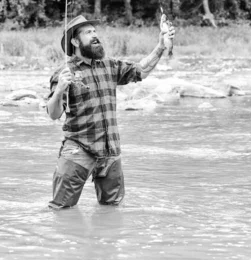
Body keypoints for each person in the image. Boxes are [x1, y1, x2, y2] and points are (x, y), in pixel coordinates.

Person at [46, 14, 176, 209]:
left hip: (110, 151)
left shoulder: (109, 65)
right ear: (75, 40)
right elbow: (54, 114)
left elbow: (141, 70)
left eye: (95, 31)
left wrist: (161, 46)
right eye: (88, 32)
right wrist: (59, 91)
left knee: (112, 210)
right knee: (61, 210)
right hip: (78, 150)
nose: (95, 35)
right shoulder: (64, 73)